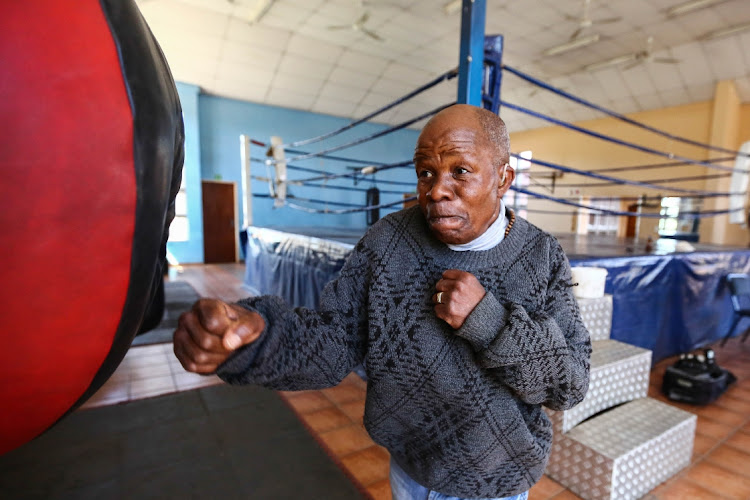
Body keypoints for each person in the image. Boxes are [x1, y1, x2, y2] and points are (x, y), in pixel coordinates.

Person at [174, 104, 591, 500]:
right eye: (426, 172)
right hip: (410, 469)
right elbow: (335, 341)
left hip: (496, 483)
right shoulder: (389, 241)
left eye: (460, 171)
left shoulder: (541, 255)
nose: (437, 191)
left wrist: (488, 321)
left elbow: (570, 383)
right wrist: (257, 338)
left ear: (503, 178)